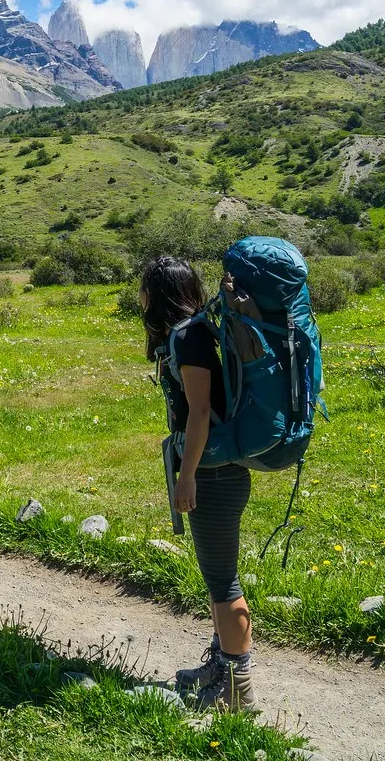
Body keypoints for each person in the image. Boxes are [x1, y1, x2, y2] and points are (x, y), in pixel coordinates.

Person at [139, 255, 259, 713]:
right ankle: (222, 667)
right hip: (213, 469)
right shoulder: (191, 332)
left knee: (224, 582)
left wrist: (186, 476)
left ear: (160, 292)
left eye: (145, 289)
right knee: (216, 578)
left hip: (212, 473)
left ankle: (236, 689)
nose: (140, 297)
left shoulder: (188, 336)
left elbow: (201, 412)